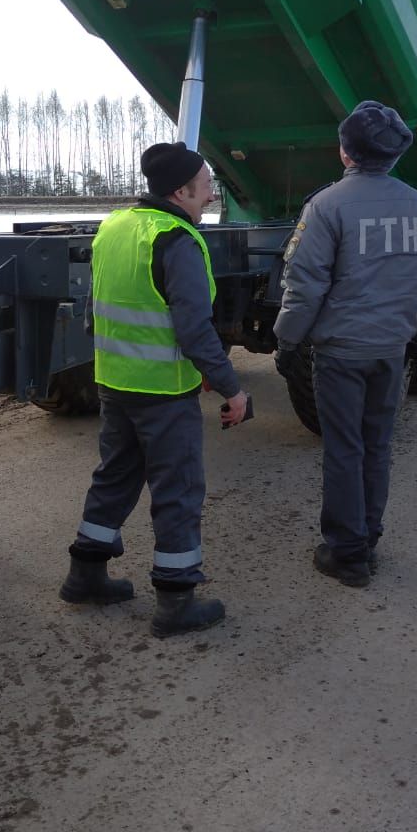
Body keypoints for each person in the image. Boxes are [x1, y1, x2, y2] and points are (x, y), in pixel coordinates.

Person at [60, 141, 249, 637]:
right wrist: (233, 389)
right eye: (206, 186)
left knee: (115, 476)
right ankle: (176, 599)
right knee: (178, 489)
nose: (211, 195)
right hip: (164, 393)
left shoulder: (115, 227)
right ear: (182, 190)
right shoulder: (177, 239)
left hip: (115, 383)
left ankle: (85, 574)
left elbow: (93, 309)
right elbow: (194, 329)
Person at [273, 100, 417, 587]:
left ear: (346, 153)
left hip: (341, 353)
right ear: (393, 155)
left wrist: (286, 343)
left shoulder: (326, 206)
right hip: (392, 350)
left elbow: (304, 286)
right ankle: (368, 538)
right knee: (377, 446)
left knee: (344, 449)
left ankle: (346, 553)